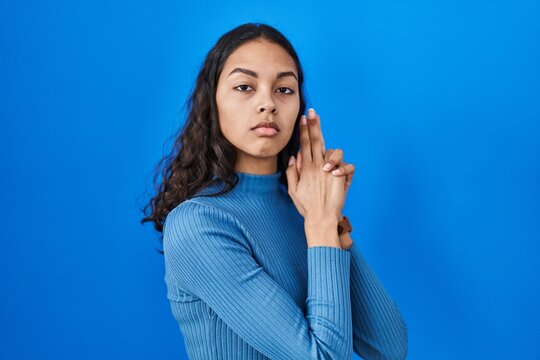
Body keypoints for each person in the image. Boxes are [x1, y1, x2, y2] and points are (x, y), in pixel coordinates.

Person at [141, 22, 408, 360]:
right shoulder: (199, 225)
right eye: (244, 87)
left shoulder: (306, 210)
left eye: (284, 89)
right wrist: (321, 223)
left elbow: (389, 348)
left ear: (299, 105)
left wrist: (328, 217)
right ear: (213, 102)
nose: (267, 103)